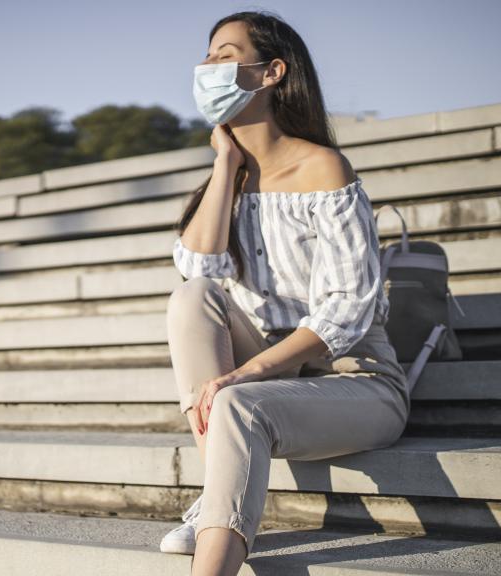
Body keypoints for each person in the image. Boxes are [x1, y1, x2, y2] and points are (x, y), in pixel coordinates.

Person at [162, 10, 410, 576]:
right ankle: (215, 502)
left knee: (237, 400)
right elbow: (197, 265)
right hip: (273, 374)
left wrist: (245, 375)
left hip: (355, 381)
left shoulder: (323, 168)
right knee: (193, 297)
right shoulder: (228, 179)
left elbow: (348, 310)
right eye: (207, 56)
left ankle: (213, 553)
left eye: (224, 56)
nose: (206, 67)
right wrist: (226, 164)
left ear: (270, 72)